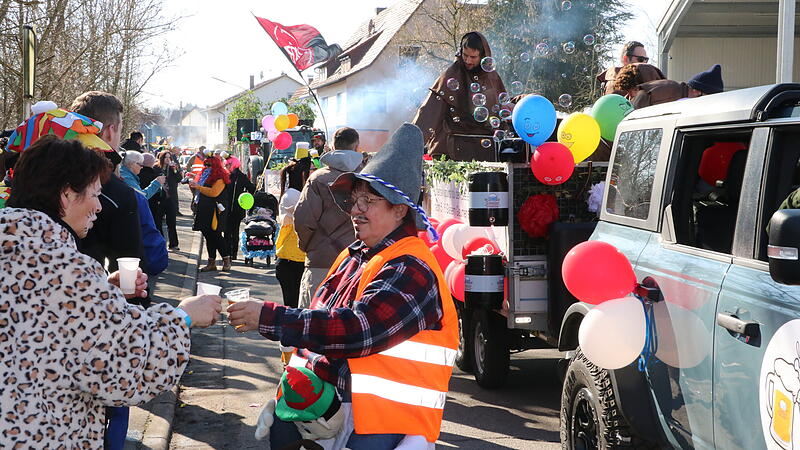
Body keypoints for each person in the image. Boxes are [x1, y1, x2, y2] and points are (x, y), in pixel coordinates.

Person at [229, 124, 458, 449]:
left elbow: (357, 329)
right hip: (331, 413)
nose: (355, 209)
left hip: (383, 426)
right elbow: (316, 333)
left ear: (400, 210)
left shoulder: (411, 266)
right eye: (354, 199)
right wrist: (288, 395)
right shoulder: (354, 255)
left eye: (369, 200)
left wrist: (268, 317)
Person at [1, 135, 222, 448]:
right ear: (66, 195)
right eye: (94, 193)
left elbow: (36, 323)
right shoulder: (70, 271)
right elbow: (121, 372)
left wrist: (102, 292)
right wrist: (182, 316)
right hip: (42, 435)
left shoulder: (42, 263)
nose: (99, 206)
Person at [70, 91, 147, 275]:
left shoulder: (45, 173)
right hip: (93, 296)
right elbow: (129, 270)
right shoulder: (117, 192)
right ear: (110, 131)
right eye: (120, 130)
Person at [413, 31, 508, 161]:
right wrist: (410, 144)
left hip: (485, 152)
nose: (468, 60)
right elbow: (429, 113)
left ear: (483, 56)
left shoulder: (492, 78)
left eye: (473, 57)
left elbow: (501, 110)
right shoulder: (451, 75)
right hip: (451, 152)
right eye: (465, 55)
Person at [294, 127, 362, 308]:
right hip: (358, 262)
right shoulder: (367, 178)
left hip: (320, 262)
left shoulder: (318, 179)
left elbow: (303, 221)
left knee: (311, 323)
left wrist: (308, 247)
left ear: (332, 146)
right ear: (356, 146)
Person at [190, 156, 232, 271]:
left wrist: (198, 187)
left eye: (209, 165)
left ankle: (226, 259)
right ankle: (211, 262)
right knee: (208, 236)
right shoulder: (204, 177)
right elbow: (199, 192)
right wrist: (194, 187)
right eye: (206, 165)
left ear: (216, 166)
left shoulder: (220, 178)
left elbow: (214, 193)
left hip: (215, 211)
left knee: (216, 235)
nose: (207, 167)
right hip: (204, 209)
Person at [632, 64, 724, 109]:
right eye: (707, 98)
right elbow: (642, 95)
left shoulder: (679, 93)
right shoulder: (671, 92)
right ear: (697, 92)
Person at [275, 188, 305, 309]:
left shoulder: (288, 222)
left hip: (285, 262)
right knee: (298, 305)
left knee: (290, 305)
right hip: (298, 263)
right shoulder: (306, 223)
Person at [597, 41, 664, 95]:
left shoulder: (644, 77)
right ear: (626, 59)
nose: (644, 63)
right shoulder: (615, 85)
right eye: (640, 59)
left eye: (646, 60)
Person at [224, 155, 256, 260]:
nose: (226, 166)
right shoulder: (226, 175)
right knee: (227, 231)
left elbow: (251, 188)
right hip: (226, 208)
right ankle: (227, 253)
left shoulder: (241, 176)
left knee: (233, 231)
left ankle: (233, 253)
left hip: (237, 209)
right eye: (226, 164)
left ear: (233, 164)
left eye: (228, 164)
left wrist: (246, 197)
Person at [159, 149, 182, 249]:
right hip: (160, 198)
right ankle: (160, 243)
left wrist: (175, 170)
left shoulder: (173, 168)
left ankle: (174, 244)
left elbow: (179, 179)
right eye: (166, 157)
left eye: (169, 157)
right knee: (158, 221)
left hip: (171, 198)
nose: (168, 159)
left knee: (171, 222)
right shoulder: (157, 168)